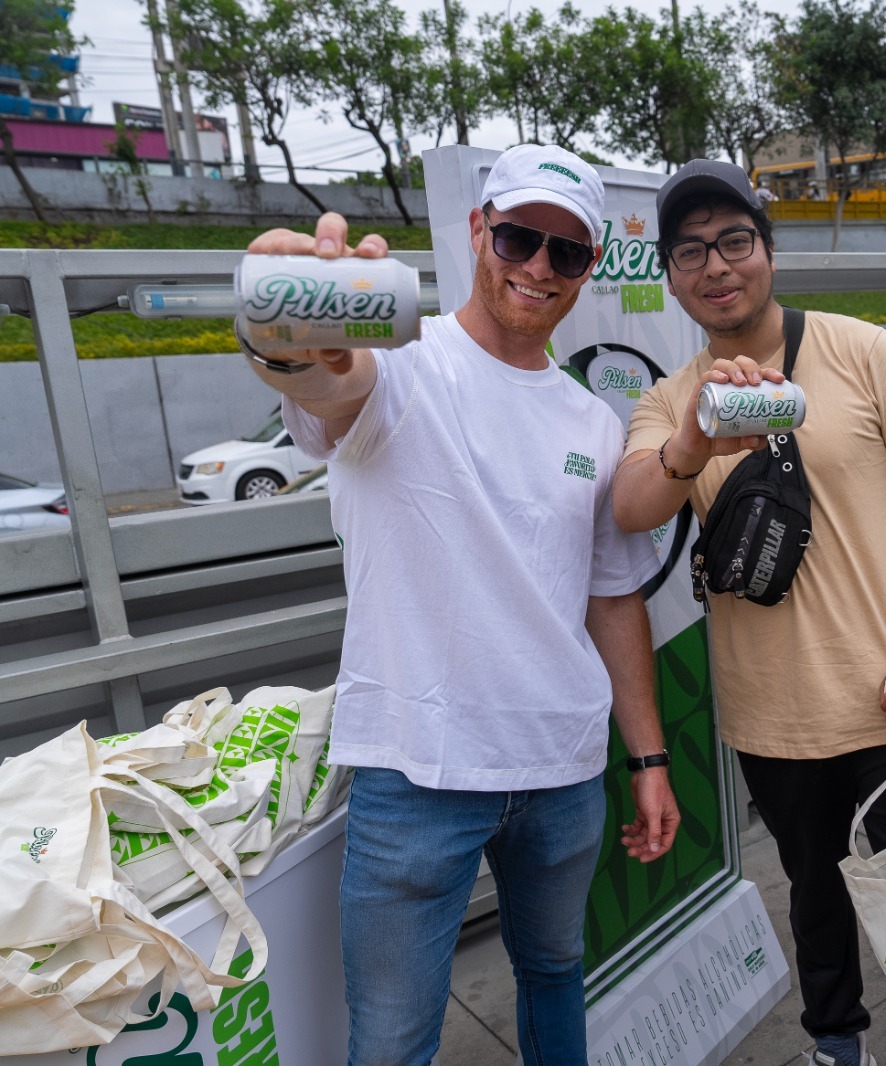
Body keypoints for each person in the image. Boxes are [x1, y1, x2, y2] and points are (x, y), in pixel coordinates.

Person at [241, 145, 680, 1065]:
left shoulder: (590, 422)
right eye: (521, 235)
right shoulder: (403, 363)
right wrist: (289, 339)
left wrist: (648, 757)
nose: (538, 266)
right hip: (418, 774)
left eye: (567, 251)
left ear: (588, 267)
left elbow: (611, 598)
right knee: (395, 1039)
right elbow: (328, 385)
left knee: (557, 972)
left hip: (563, 767)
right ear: (479, 231)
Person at [613, 158, 886, 1066]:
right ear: (670, 273)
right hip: (772, 712)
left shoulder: (860, 349)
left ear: (769, 251)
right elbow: (631, 508)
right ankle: (835, 1042)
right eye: (690, 251)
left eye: (735, 241)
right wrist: (695, 439)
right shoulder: (667, 400)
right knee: (813, 892)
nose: (716, 265)